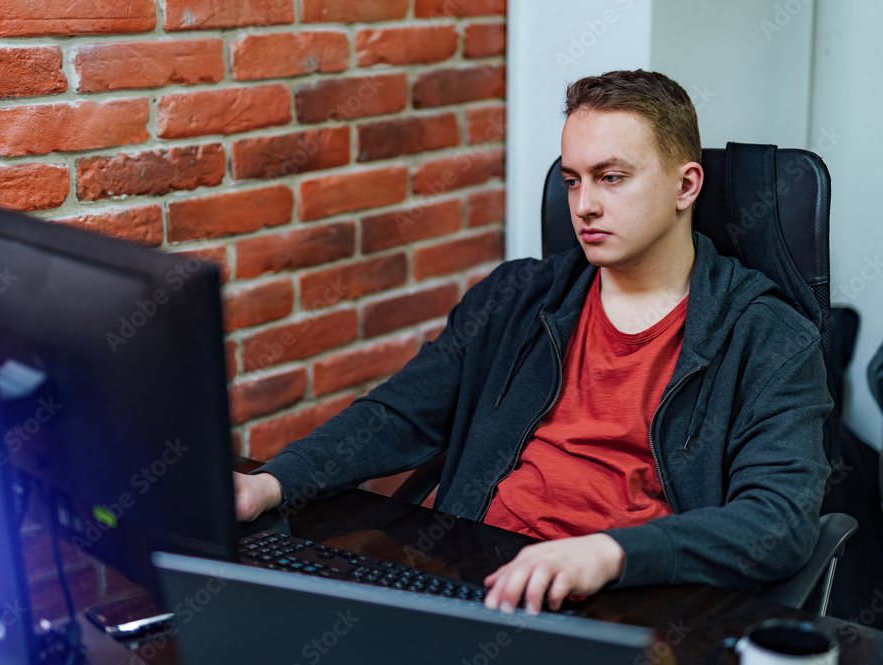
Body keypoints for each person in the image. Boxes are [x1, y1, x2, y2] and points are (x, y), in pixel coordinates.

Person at [234, 69, 833, 616]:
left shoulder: (768, 337)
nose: (585, 205)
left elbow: (778, 520)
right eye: (572, 180)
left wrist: (607, 553)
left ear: (686, 185)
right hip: (481, 575)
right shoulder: (516, 297)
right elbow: (398, 414)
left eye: (612, 178)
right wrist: (272, 481)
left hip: (633, 598)